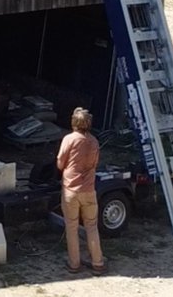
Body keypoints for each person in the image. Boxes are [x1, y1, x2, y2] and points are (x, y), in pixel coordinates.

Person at [56, 107, 107, 275]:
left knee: (71, 227)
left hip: (71, 189)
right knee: (91, 226)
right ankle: (98, 263)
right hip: (89, 189)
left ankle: (74, 264)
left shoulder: (69, 139)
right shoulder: (94, 141)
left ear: (73, 122)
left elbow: (60, 162)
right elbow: (95, 163)